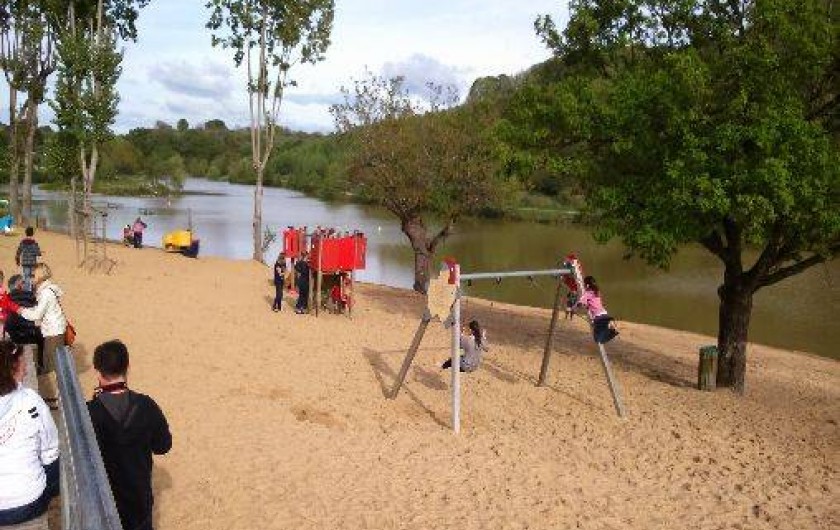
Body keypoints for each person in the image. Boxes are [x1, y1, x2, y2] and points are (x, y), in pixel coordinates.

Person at [87, 340, 172, 530]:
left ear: (97, 371)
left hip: (104, 500)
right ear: (127, 367)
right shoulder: (146, 405)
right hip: (138, 499)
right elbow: (163, 445)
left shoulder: (89, 412)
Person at [0, 340, 60, 527]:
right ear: (13, 368)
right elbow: (50, 451)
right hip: (29, 499)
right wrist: (50, 492)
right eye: (22, 362)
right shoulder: (30, 401)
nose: (26, 368)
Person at [17, 263, 68, 404]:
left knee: (51, 366)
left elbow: (37, 314)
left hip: (53, 332)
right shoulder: (46, 290)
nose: (31, 278)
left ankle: (54, 399)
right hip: (53, 331)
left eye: (33, 275)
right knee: (49, 363)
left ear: (39, 275)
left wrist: (20, 310)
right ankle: (53, 397)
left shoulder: (46, 293)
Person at [4, 275, 44, 370]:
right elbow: (38, 311)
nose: (24, 284)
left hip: (14, 336)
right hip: (31, 334)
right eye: (23, 282)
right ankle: (40, 365)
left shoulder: (6, 298)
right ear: (18, 285)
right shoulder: (29, 295)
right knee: (42, 337)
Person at [577, 276, 619, 344]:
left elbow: (581, 304)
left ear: (587, 285)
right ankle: (611, 330)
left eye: (584, 284)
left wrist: (576, 306)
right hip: (605, 314)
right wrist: (588, 305)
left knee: (598, 340)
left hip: (598, 317)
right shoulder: (597, 292)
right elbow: (596, 303)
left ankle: (612, 331)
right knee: (602, 334)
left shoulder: (587, 294)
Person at [15, 226, 41, 291]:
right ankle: (32, 291)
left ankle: (26, 292)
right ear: (32, 234)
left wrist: (17, 260)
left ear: (26, 233)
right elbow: (38, 253)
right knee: (32, 277)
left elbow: (18, 252)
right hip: (33, 263)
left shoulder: (23, 242)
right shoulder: (34, 243)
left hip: (25, 263)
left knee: (26, 277)